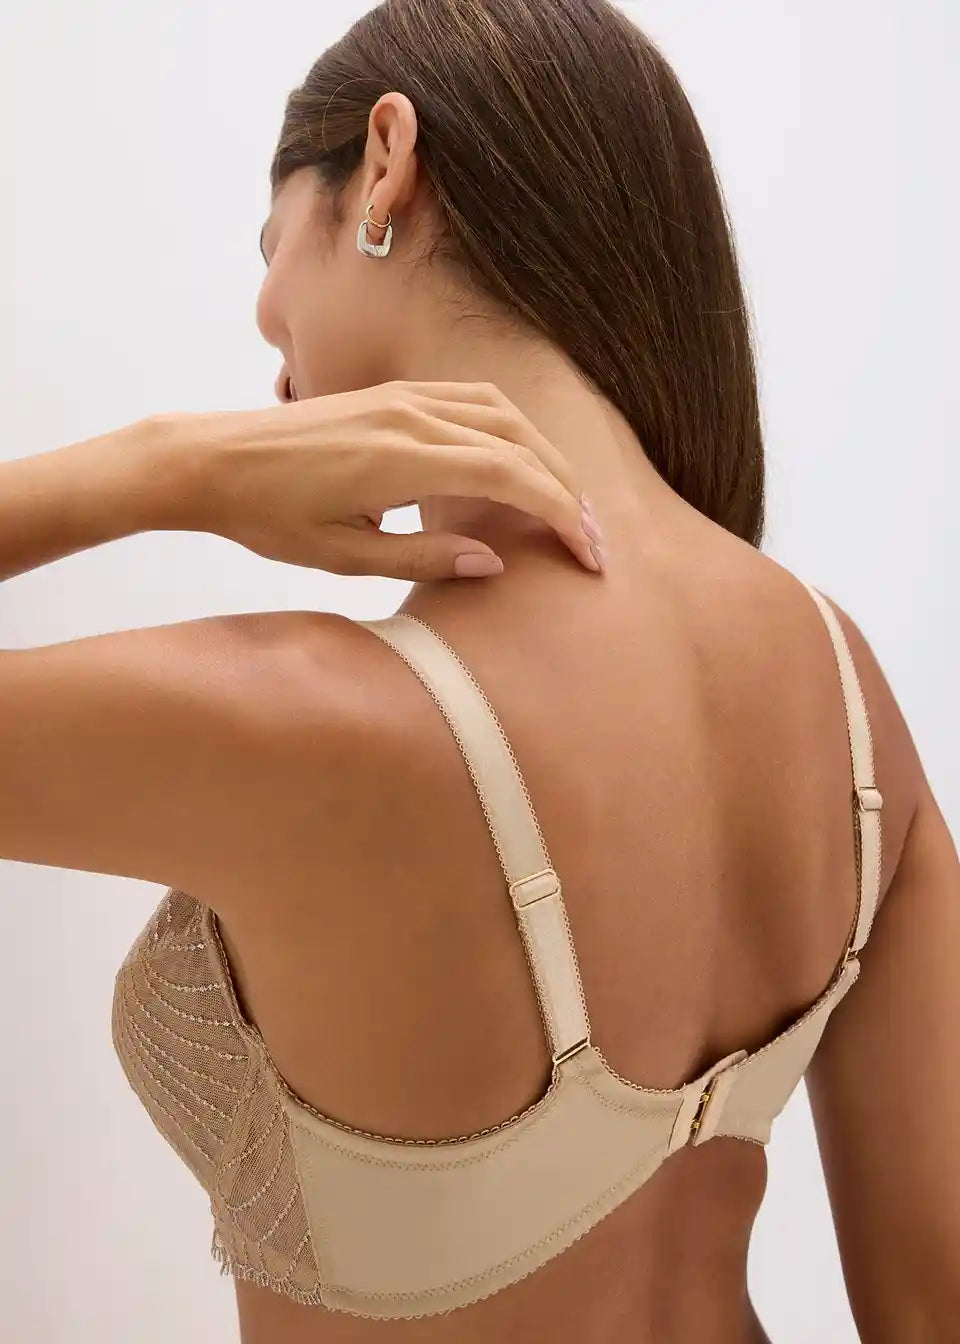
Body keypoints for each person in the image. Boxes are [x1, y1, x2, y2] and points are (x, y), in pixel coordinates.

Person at [3, 0, 957, 1340]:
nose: (269, 338)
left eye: (269, 248)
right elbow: (931, 1303)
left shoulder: (316, 723)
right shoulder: (850, 701)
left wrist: (169, 466)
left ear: (383, 165)